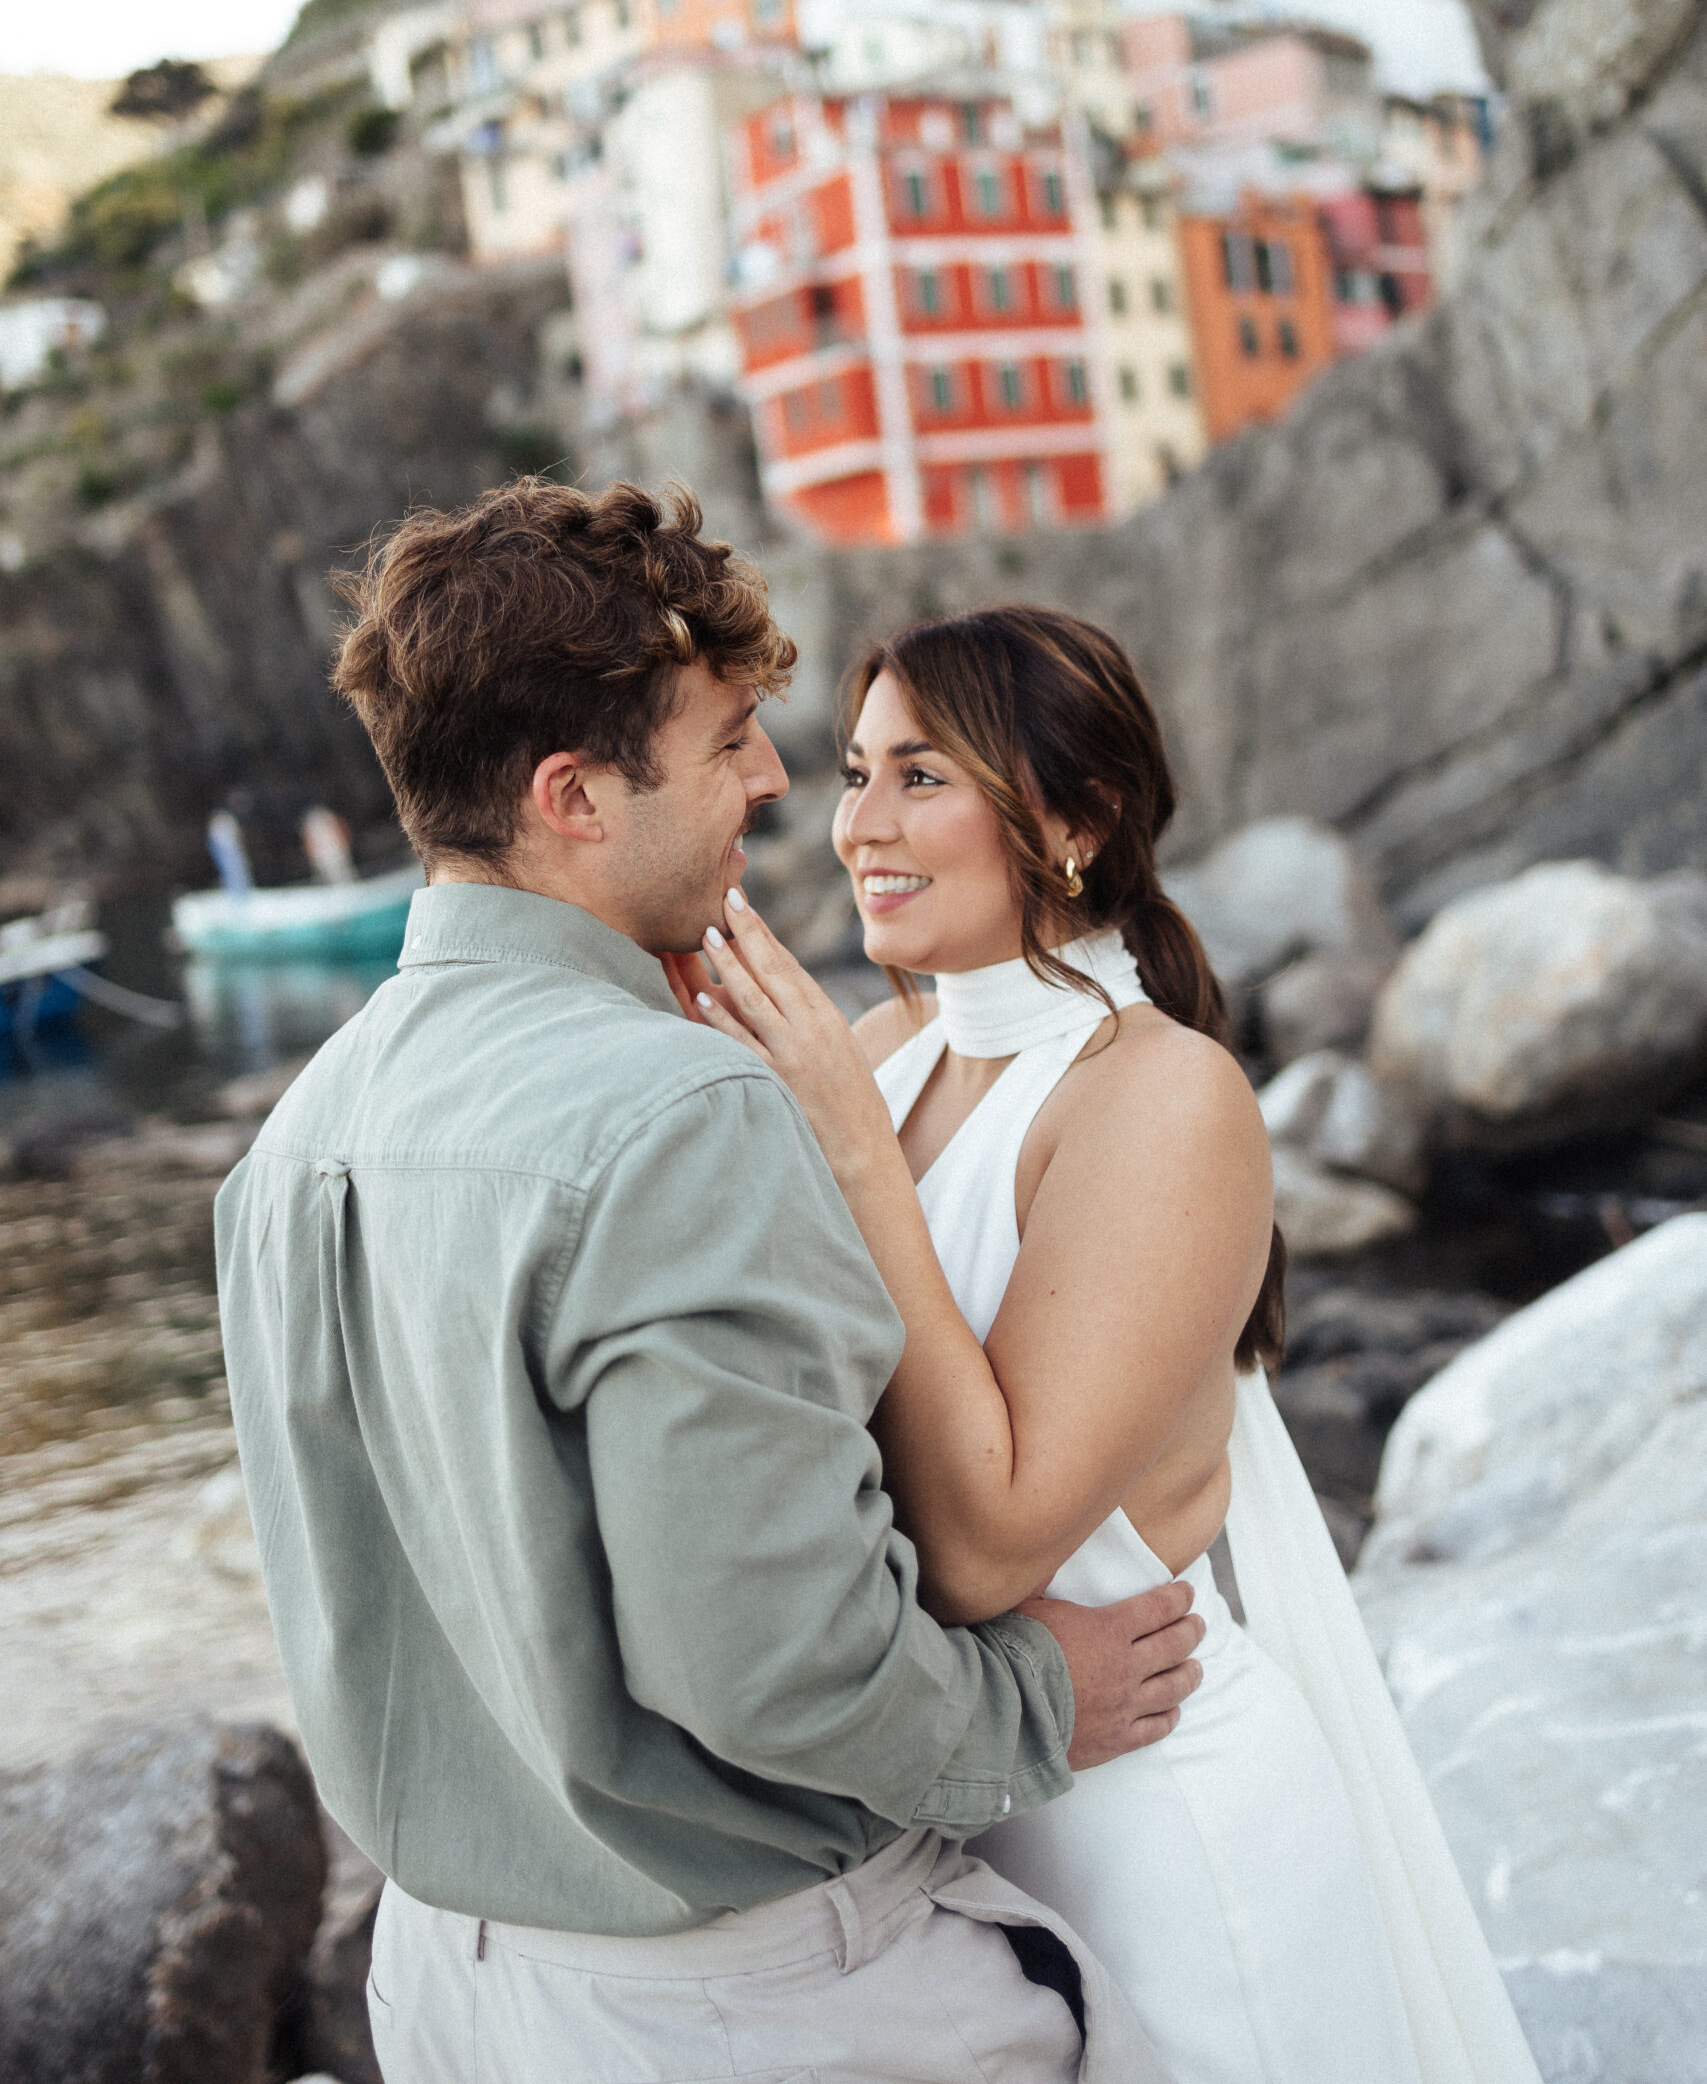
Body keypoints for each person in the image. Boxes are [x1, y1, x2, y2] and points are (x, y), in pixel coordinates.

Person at [214, 486, 1201, 2084]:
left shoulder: (293, 1142)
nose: (771, 780)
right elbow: (776, 1664)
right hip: (740, 2005)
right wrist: (1037, 1700)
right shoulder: (678, 1112)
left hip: (446, 1983)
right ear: (574, 797)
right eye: (728, 736)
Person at [683, 604, 1544, 2084]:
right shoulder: (883, 1058)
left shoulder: (1162, 1094)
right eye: (856, 770)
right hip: (966, 1814)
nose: (859, 827)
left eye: (924, 777)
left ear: (1075, 817)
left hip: (1164, 1838)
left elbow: (985, 1544)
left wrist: (851, 1159)